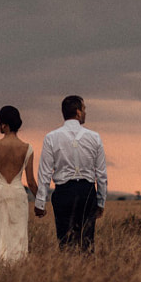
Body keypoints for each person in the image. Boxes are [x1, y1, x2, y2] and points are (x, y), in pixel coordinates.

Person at [35, 95, 108, 253]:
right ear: (78, 112)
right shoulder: (94, 137)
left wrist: (40, 202)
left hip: (63, 192)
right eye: (84, 109)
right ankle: (86, 274)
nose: (85, 112)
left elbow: (45, 173)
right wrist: (101, 202)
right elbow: (101, 174)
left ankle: (68, 272)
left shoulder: (51, 138)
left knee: (65, 242)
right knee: (87, 242)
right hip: (87, 192)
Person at [0, 105, 38, 272]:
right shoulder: (27, 148)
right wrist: (41, 201)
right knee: (18, 235)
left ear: (4, 125)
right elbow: (30, 181)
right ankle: (17, 273)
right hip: (17, 193)